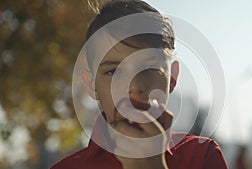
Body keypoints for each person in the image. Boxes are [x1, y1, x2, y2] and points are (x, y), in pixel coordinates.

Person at [50, 0, 228, 169]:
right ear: (91, 85)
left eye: (149, 67)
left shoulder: (201, 156)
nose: (135, 85)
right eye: (112, 71)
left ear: (172, 78)